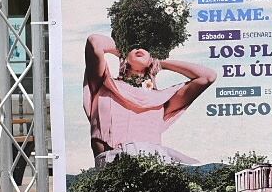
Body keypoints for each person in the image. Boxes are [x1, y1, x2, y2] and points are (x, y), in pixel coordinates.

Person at [83, 32, 215, 166]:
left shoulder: (162, 99)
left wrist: (159, 61)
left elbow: (207, 77)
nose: (139, 47)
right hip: (111, 172)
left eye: (146, 47)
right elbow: (94, 41)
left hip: (153, 173)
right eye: (134, 45)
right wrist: (125, 48)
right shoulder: (104, 84)